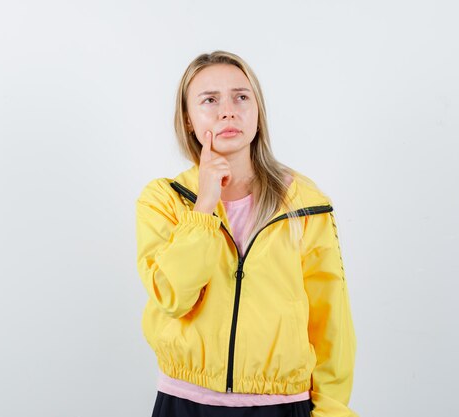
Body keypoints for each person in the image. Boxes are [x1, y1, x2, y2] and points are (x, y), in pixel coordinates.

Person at [135, 50, 358, 417]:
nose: (228, 110)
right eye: (210, 100)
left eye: (241, 96)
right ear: (189, 120)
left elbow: (331, 318)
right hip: (185, 403)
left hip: (282, 406)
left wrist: (333, 411)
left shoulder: (304, 203)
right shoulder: (164, 200)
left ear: (257, 112)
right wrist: (204, 206)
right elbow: (173, 297)